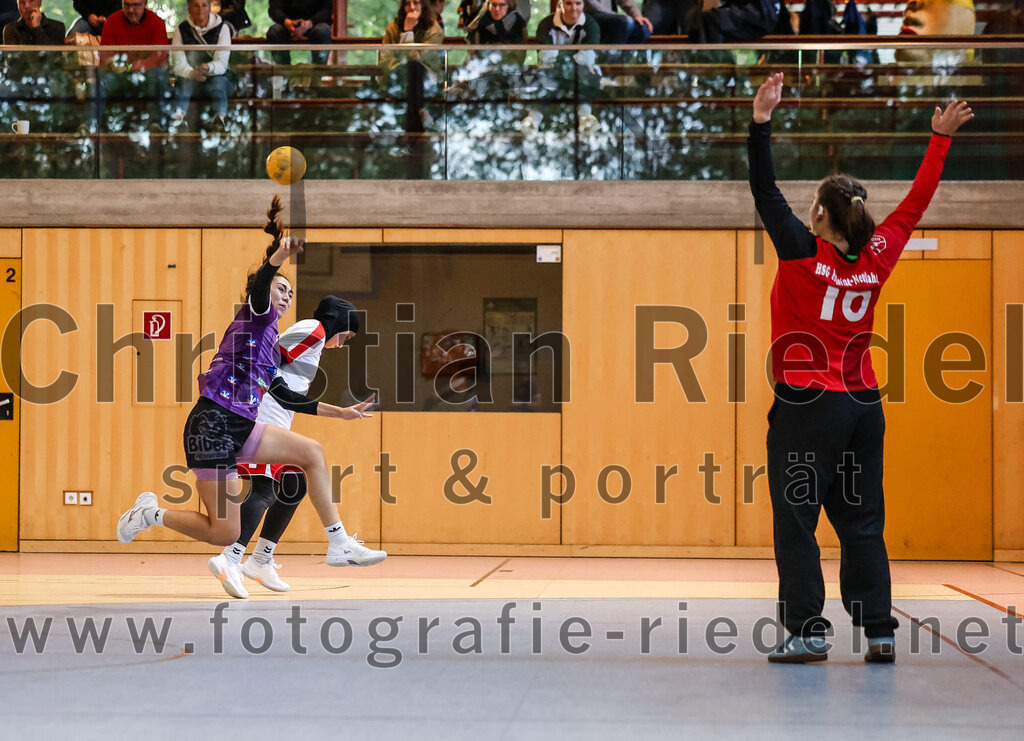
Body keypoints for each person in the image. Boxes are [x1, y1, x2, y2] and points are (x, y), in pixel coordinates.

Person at [748, 72, 973, 663]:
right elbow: (916, 203)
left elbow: (764, 191)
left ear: (820, 215)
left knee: (797, 522)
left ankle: (806, 632)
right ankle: (879, 632)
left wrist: (760, 123)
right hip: (862, 404)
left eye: (810, 209)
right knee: (862, 521)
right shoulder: (877, 255)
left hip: (808, 405)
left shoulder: (801, 252)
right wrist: (938, 139)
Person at [116, 197, 381, 570]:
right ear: (264, 290)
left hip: (242, 425)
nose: (286, 297)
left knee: (312, 454)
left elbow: (285, 394)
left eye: (290, 293)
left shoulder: (271, 338)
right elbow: (260, 287)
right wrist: (276, 259)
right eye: (280, 289)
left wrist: (341, 412)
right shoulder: (257, 316)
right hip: (210, 425)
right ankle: (150, 515)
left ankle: (338, 544)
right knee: (224, 532)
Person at [208, 295, 386, 599]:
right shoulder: (315, 331)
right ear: (339, 323)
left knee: (293, 484)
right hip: (264, 412)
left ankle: (261, 559)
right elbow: (269, 362)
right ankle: (231, 557)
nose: (342, 344)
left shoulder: (313, 339)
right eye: (347, 336)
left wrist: (340, 413)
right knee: (265, 488)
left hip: (274, 413)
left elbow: (290, 392)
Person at [98, 0, 171, 131]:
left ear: (145, 4)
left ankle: (156, 124)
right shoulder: (112, 21)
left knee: (157, 75)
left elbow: (159, 57)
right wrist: (111, 63)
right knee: (101, 77)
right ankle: (92, 124)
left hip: (147, 77)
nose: (131, 10)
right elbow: (104, 55)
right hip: (119, 76)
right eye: (127, 5)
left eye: (135, 5)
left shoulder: (157, 23)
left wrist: (142, 64)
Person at [170, 0, 234, 133]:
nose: (200, 9)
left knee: (218, 82)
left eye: (204, 5)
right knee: (184, 83)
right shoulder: (181, 29)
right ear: (189, 8)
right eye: (195, 5)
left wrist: (208, 68)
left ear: (209, 7)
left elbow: (222, 63)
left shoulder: (223, 28)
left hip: (217, 77)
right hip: (190, 78)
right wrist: (192, 73)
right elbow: (178, 62)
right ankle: (179, 118)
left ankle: (220, 118)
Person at [381, 0, 444, 76]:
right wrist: (399, 71)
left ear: (423, 5)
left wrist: (408, 31)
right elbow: (385, 60)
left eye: (416, 3)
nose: (412, 7)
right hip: (394, 79)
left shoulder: (435, 31)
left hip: (425, 81)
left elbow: (417, 64)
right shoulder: (392, 28)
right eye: (407, 3)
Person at [266, 0, 333, 65]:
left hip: (315, 23)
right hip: (287, 24)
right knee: (274, 32)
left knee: (323, 31)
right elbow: (274, 9)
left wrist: (310, 23)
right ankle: (284, 72)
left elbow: (327, 10)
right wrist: (287, 22)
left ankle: (318, 72)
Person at [583, 0, 651, 43]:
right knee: (623, 22)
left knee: (643, 27)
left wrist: (637, 15)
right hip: (588, 16)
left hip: (611, 18)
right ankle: (610, 63)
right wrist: (620, 17)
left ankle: (629, 63)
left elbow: (626, 1)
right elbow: (592, 6)